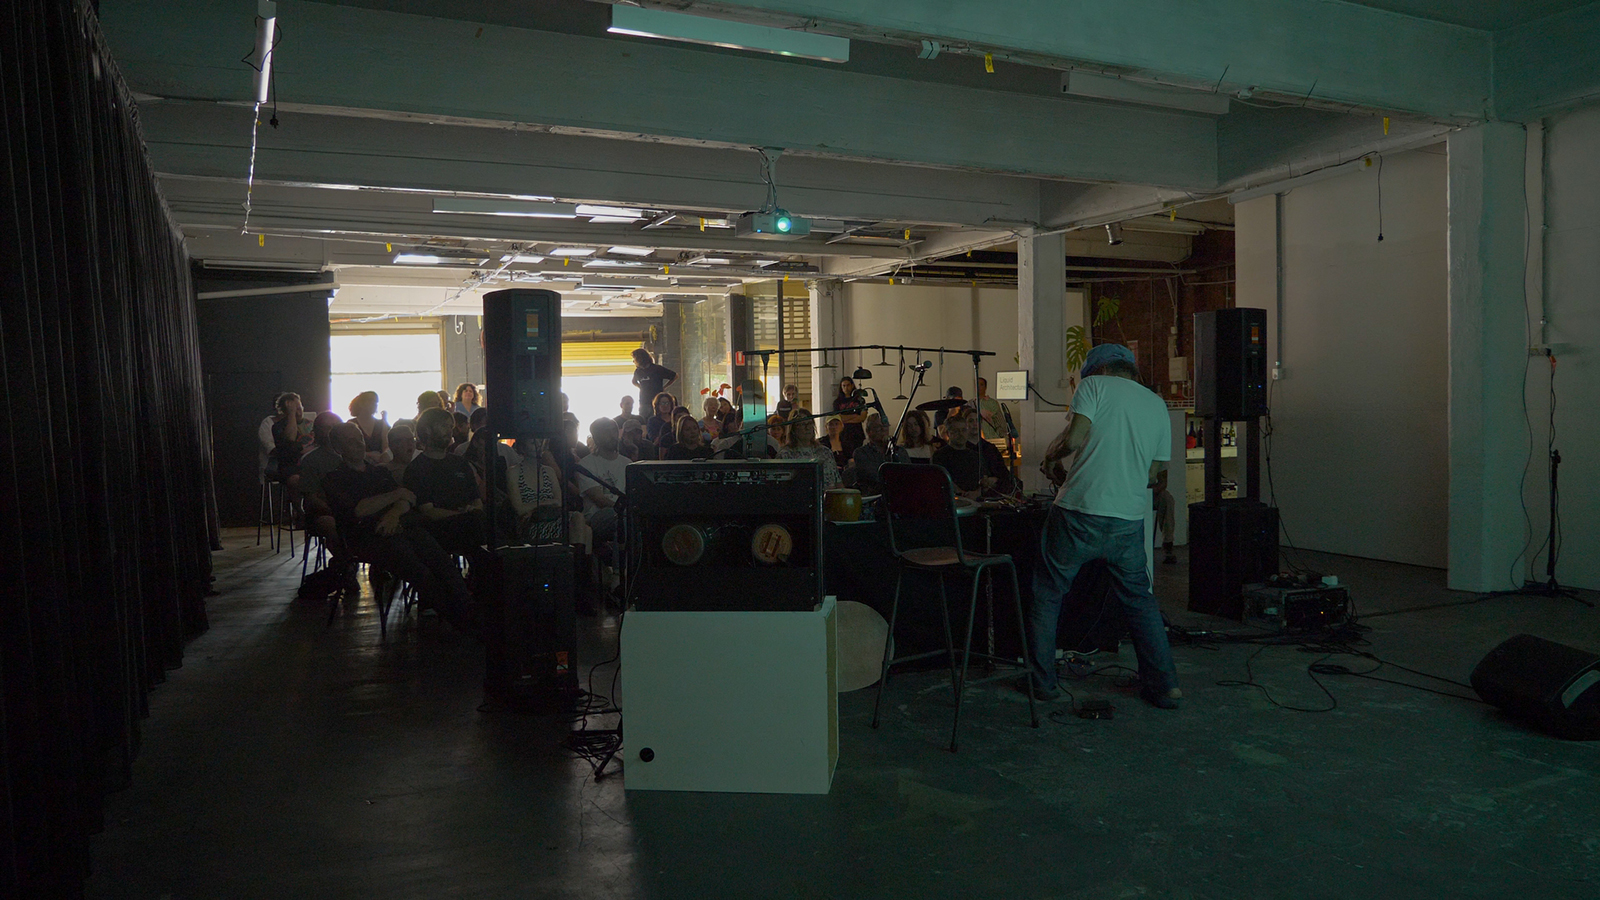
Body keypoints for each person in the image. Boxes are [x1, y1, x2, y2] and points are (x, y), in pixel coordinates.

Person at [1025, 343, 1179, 710]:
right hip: (1127, 520)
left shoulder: (1093, 387)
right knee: (1141, 603)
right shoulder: (1157, 404)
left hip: (1079, 512)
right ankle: (1165, 686)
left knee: (1048, 595)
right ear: (1130, 369)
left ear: (1095, 370)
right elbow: (1154, 474)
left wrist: (1050, 456)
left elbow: (1074, 439)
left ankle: (1043, 683)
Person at [320, 422, 472, 630]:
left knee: (440, 560)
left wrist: (393, 513)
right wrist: (394, 497)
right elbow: (360, 509)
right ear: (339, 449)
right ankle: (460, 620)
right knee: (419, 571)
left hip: (398, 528)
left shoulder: (377, 472)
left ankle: (468, 610)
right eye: (351, 441)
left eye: (360, 439)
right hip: (365, 539)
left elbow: (407, 498)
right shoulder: (335, 478)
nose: (359, 444)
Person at [404, 407, 485, 557]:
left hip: (469, 521)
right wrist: (462, 514)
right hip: (439, 528)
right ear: (427, 430)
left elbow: (477, 501)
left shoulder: (460, 463)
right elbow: (428, 511)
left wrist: (472, 510)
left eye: (450, 427)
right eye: (443, 426)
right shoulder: (417, 468)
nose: (449, 431)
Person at [576, 418, 631, 542]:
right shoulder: (586, 464)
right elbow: (599, 499)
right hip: (598, 516)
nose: (612, 435)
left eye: (614, 431)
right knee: (622, 519)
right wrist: (627, 511)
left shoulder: (628, 463)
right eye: (607, 432)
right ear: (596, 437)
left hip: (626, 513)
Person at [507, 439, 564, 545]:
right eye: (533, 443)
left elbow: (559, 502)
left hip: (553, 518)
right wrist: (548, 502)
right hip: (531, 523)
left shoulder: (549, 471)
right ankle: (578, 559)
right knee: (580, 529)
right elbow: (519, 509)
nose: (538, 445)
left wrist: (533, 506)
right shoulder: (514, 472)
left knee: (579, 521)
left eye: (539, 442)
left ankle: (578, 559)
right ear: (523, 447)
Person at [778, 410, 841, 488]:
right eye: (802, 424)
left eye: (810, 423)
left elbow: (838, 483)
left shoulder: (825, 452)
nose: (807, 428)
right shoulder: (786, 454)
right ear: (793, 429)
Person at [270, 392, 315, 495]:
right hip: (292, 466)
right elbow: (290, 439)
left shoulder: (312, 424)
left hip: (312, 463)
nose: (298, 413)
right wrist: (291, 415)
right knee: (296, 480)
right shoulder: (278, 427)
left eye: (299, 408)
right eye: (294, 411)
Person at [846, 410, 895, 494]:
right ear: (869, 432)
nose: (883, 429)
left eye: (885, 426)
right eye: (878, 427)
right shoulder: (861, 453)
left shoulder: (899, 451)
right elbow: (875, 476)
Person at [348, 391, 390, 465]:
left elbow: (386, 446)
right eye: (371, 401)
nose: (374, 404)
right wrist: (368, 455)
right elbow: (349, 448)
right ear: (361, 403)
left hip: (379, 464)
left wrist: (383, 456)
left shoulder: (382, 424)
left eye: (376, 402)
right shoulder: (351, 424)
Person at [831, 376, 868, 449]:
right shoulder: (837, 402)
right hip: (843, 433)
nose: (846, 388)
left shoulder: (859, 400)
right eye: (844, 386)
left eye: (848, 385)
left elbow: (862, 417)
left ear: (852, 385)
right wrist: (854, 416)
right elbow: (838, 418)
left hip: (857, 433)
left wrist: (846, 418)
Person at [1152, 463, 1177, 565]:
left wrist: (1152, 491)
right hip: (1130, 491)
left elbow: (1163, 483)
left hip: (1150, 491)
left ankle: (1168, 544)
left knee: (1167, 499)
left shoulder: (1158, 459)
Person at [974, 377, 1012, 442]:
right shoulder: (970, 404)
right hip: (976, 439)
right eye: (977, 384)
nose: (979, 387)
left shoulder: (992, 403)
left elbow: (1000, 421)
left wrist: (1003, 437)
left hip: (992, 437)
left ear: (985, 387)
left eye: (981, 384)